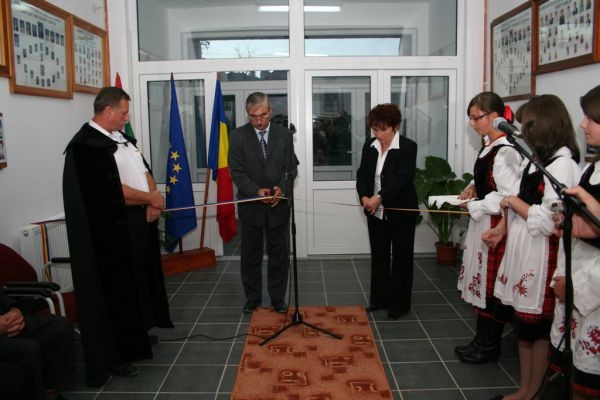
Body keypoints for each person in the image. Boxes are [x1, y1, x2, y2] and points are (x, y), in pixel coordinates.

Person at [63, 87, 173, 386]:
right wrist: (150, 198)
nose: (127, 118)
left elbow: (143, 169)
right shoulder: (86, 146)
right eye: (124, 112)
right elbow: (110, 191)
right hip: (112, 232)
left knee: (137, 282)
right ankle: (116, 354)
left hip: (137, 222)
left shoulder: (121, 138)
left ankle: (136, 336)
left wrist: (153, 198)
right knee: (115, 291)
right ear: (108, 110)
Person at [483, 94, 581, 400]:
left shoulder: (562, 165)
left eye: (527, 126)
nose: (522, 132)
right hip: (524, 246)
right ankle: (525, 388)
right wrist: (503, 226)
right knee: (524, 330)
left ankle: (533, 391)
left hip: (541, 253)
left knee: (536, 329)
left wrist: (514, 202)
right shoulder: (538, 160)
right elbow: (526, 199)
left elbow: (551, 219)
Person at [455, 92, 522, 364]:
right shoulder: (488, 145)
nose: (472, 123)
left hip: (497, 224)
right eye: (470, 118)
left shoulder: (506, 150)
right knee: (481, 283)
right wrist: (473, 187)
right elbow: (486, 179)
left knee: (491, 285)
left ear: (494, 116)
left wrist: (477, 205)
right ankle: (481, 338)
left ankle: (489, 344)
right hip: (483, 220)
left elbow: (509, 195)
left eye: (476, 118)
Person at [550, 85, 600, 400]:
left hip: (593, 284)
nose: (583, 124)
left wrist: (575, 287)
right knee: (576, 375)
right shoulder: (591, 168)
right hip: (578, 267)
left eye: (591, 118)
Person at [228, 92, 297, 314]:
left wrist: (281, 188)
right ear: (247, 114)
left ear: (271, 111)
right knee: (251, 255)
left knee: (279, 255)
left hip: (278, 205)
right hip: (251, 206)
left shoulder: (284, 135)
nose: (259, 121)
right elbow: (236, 172)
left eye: (263, 115)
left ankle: (277, 298)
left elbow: (291, 169)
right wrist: (256, 191)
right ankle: (252, 298)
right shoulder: (237, 136)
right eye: (253, 116)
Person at [356, 103, 418, 320]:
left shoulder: (408, 147)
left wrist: (379, 197)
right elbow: (362, 175)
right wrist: (364, 197)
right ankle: (379, 299)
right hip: (375, 211)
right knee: (379, 256)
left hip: (401, 212)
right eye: (375, 129)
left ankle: (399, 305)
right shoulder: (369, 145)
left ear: (396, 126)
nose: (379, 134)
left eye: (384, 129)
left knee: (402, 259)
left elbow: (402, 178)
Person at [0, 288, 75, 400]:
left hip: (6, 318)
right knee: (29, 348)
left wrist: (15, 310)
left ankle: (51, 392)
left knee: (59, 326)